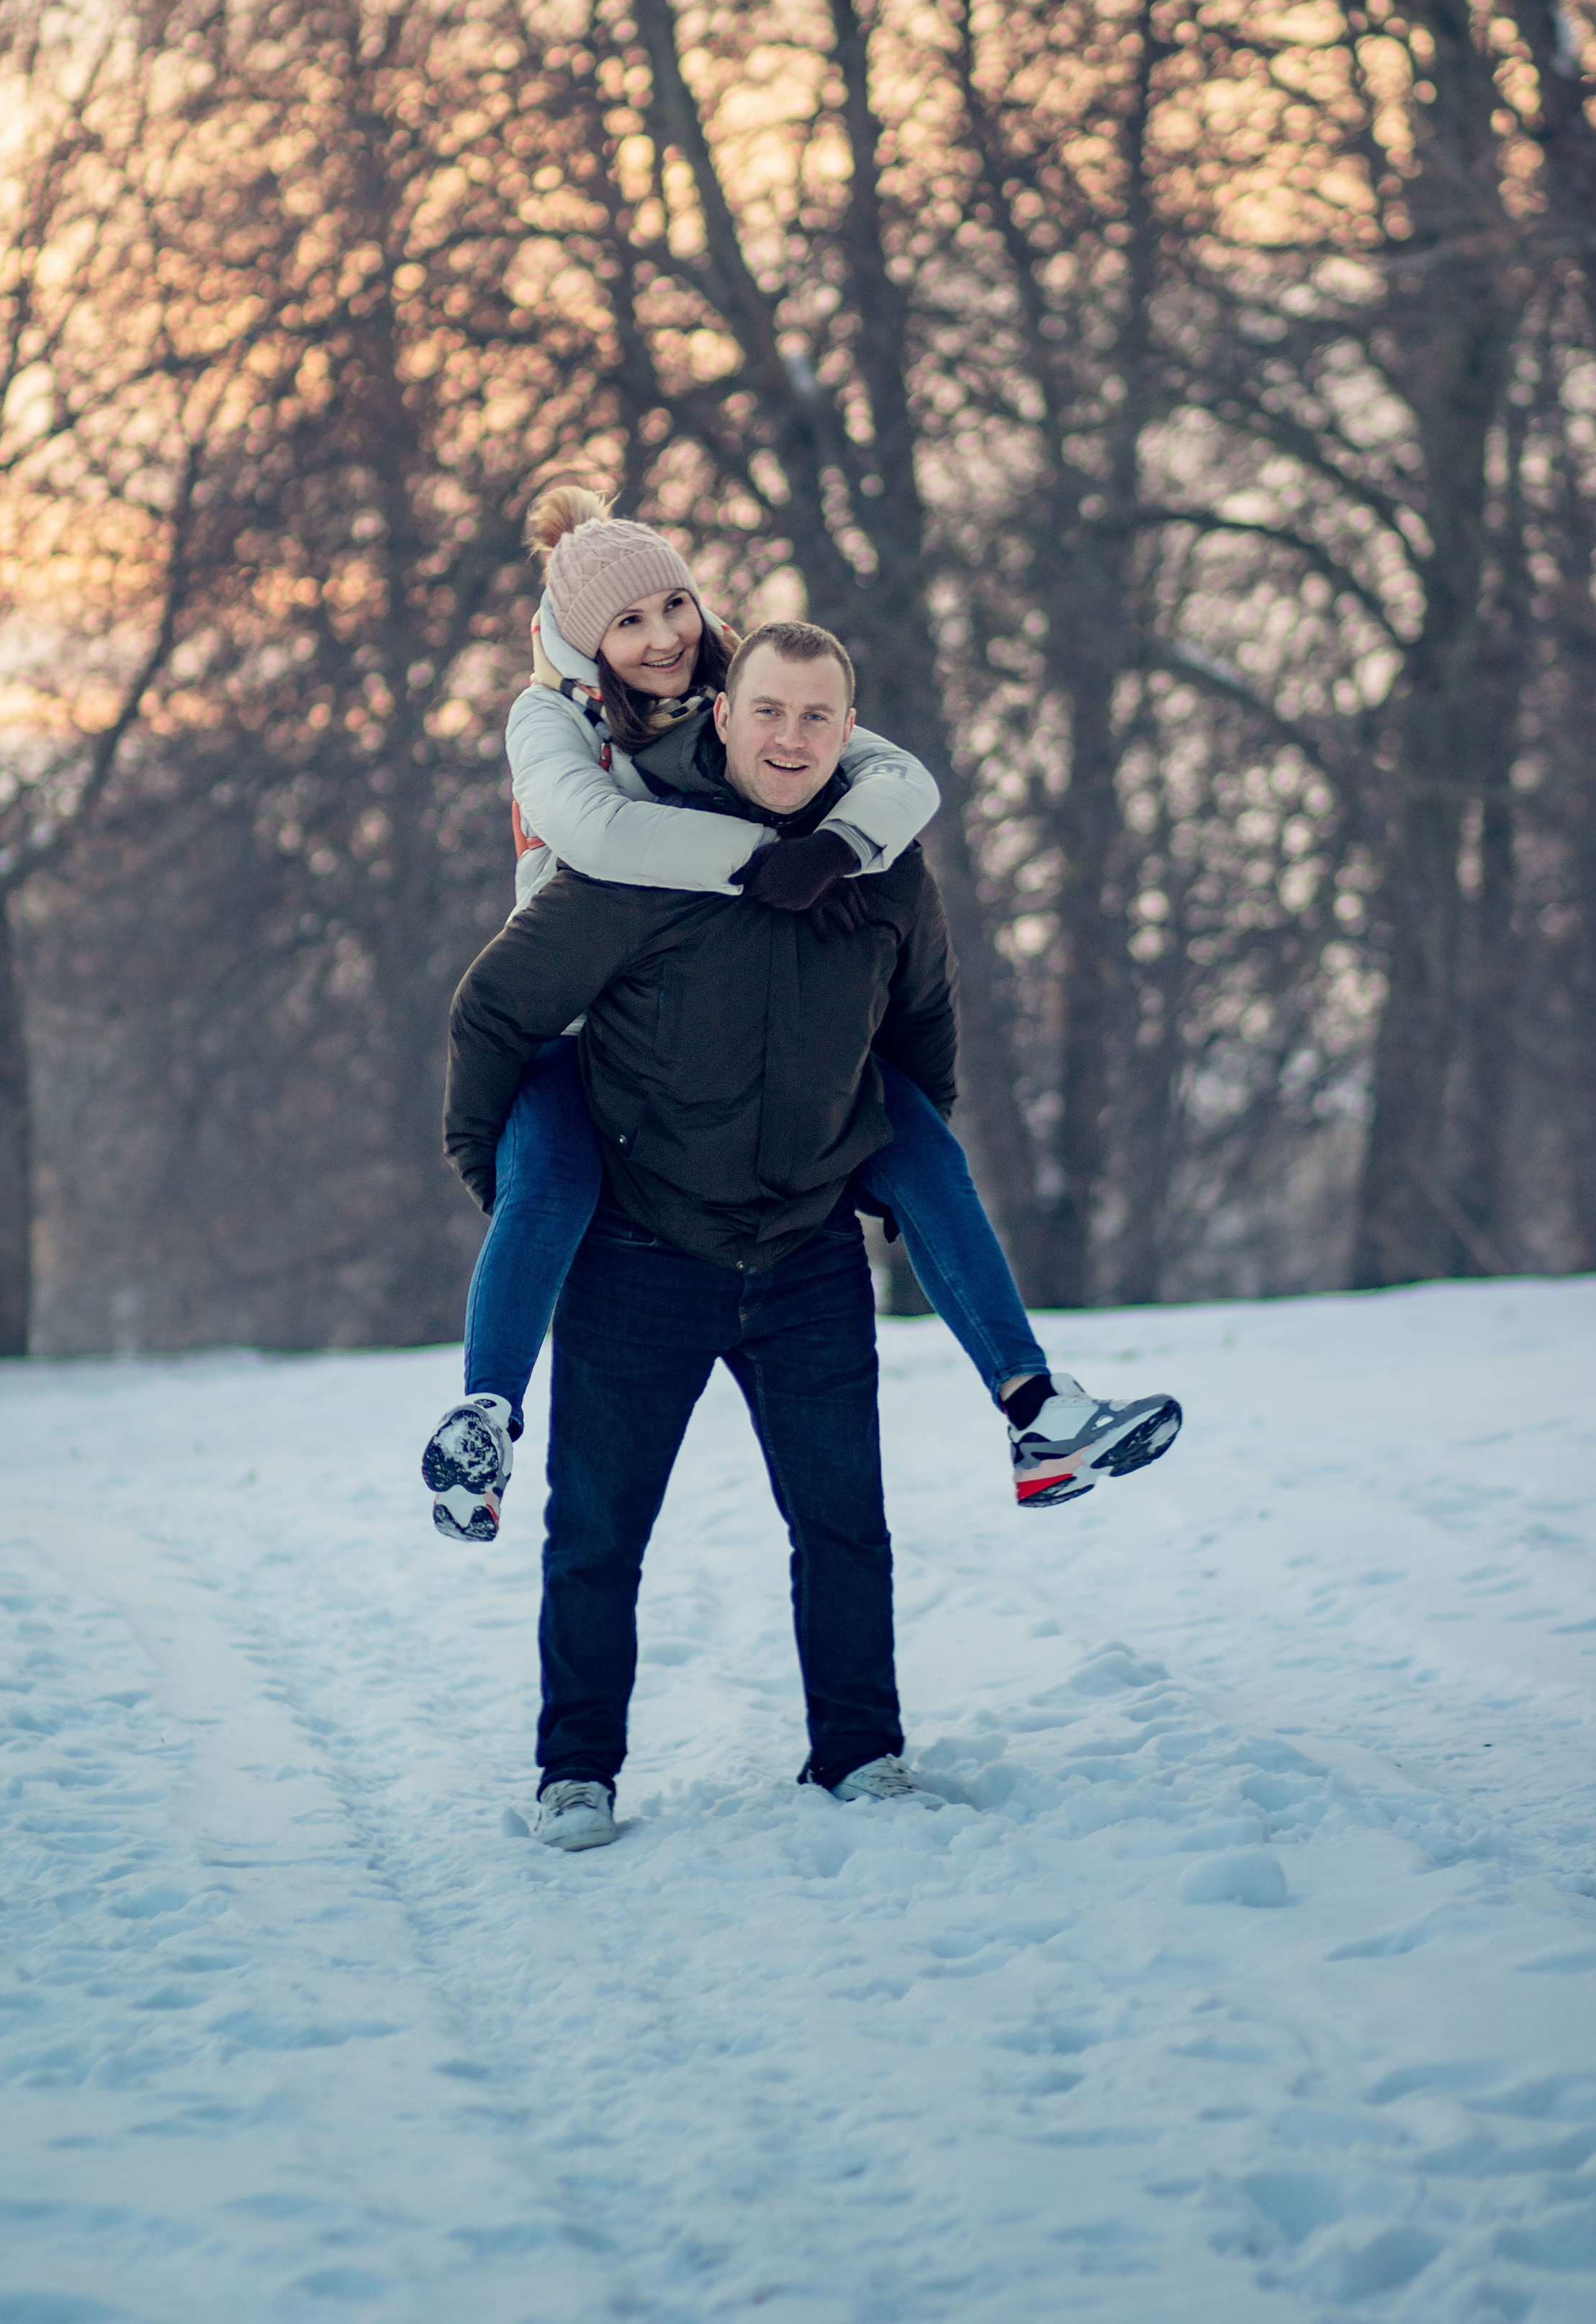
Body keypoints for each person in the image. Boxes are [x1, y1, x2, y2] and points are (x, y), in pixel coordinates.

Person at [443, 620, 1182, 1850]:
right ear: (725, 715)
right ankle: (577, 1771)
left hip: (804, 1259)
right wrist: (493, 1164)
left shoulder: (884, 870)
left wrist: (871, 1164)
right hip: (644, 1257)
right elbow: (494, 1009)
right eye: (771, 711)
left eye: (819, 718)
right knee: (597, 1536)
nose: (792, 737)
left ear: (851, 733)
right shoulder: (637, 863)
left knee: (844, 1526)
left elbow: (923, 1031)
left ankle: (860, 1752)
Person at [423, 482, 1182, 1546]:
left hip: (733, 1025)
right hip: (588, 1025)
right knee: (546, 1182)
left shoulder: (746, 682)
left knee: (914, 1136)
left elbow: (899, 778)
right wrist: (771, 860)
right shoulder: (551, 719)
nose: (660, 638)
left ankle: (1036, 1411)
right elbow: (594, 834)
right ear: (585, 645)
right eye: (627, 623)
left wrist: (837, 849)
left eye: (672, 606)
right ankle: (485, 1420)